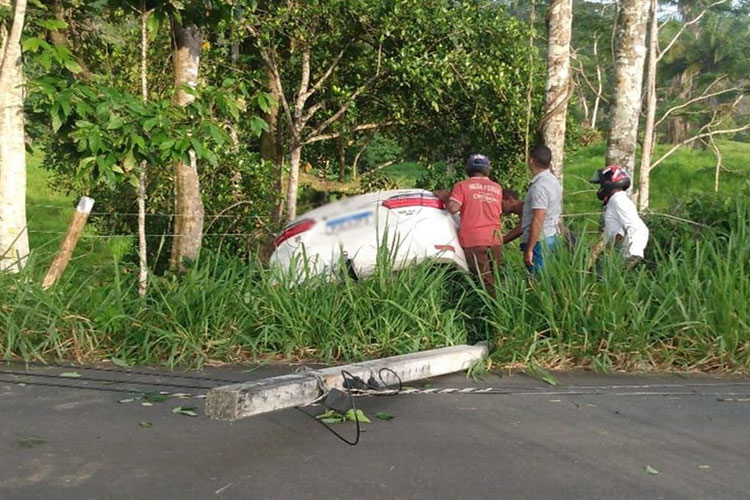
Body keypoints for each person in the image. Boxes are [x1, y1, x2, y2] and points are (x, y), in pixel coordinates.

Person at [434, 154, 503, 287]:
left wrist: (445, 197)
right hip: (495, 238)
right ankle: (507, 303)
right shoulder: (497, 188)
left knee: (485, 281)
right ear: (487, 169)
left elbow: (453, 208)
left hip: (474, 240)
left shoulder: (462, 186)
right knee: (498, 276)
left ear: (468, 169)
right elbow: (497, 211)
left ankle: (494, 306)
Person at [589, 165, 649, 267]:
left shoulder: (619, 200)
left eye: (602, 184)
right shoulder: (615, 201)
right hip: (622, 252)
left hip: (630, 253)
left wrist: (633, 253)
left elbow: (635, 226)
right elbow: (619, 231)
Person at [521, 144, 563, 273]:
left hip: (540, 240)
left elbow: (538, 218)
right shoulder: (553, 181)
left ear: (531, 160)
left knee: (537, 279)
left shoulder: (540, 186)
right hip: (551, 235)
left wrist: (529, 249)